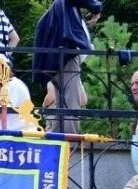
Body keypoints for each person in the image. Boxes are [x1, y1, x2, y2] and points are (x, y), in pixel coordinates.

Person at [33, 0, 103, 135]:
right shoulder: (65, 5)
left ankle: (56, 141)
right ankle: (70, 144)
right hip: (66, 57)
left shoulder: (60, 9)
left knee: (63, 104)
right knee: (71, 103)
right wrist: (96, 9)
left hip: (56, 59)